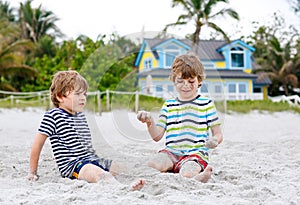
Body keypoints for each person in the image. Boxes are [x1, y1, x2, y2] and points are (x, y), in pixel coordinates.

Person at [28, 70, 145, 190]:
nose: (83, 98)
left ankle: (137, 180)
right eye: (78, 94)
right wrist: (32, 172)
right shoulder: (53, 115)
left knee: (118, 167)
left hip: (91, 158)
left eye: (85, 94)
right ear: (60, 96)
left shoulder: (80, 115)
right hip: (74, 165)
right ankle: (122, 188)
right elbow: (37, 145)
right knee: (99, 174)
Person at [137, 53, 223, 183]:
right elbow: (157, 136)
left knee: (187, 172)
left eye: (191, 81)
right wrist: (149, 122)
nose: (185, 85)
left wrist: (214, 140)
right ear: (173, 80)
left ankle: (198, 178)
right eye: (180, 81)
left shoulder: (206, 104)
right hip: (171, 152)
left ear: (199, 81)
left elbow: (218, 133)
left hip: (195, 154)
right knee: (154, 165)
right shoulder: (169, 104)